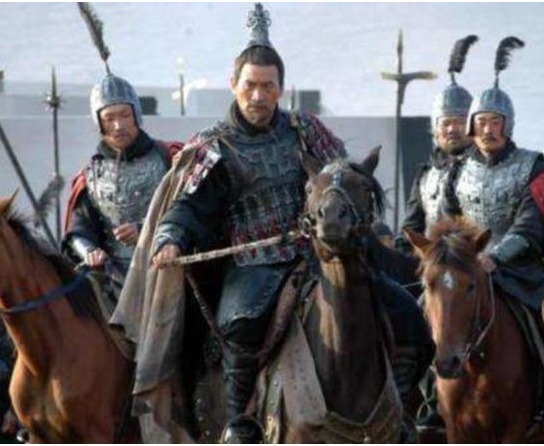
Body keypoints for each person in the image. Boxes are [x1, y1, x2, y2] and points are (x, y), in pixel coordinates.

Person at [150, 4, 432, 443]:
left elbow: (341, 176)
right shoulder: (214, 145)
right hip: (254, 263)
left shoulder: (305, 130)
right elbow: (189, 206)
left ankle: (400, 406)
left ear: (280, 88)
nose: (258, 96)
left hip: (321, 252)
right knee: (240, 323)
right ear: (234, 84)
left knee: (406, 311)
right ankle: (239, 423)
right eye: (250, 85)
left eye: (268, 86)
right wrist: (170, 237)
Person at [62, 16, 180, 308]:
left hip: (165, 270)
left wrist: (146, 230)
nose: (118, 125)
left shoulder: (169, 158)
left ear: (136, 115)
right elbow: (78, 229)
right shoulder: (90, 175)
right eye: (109, 118)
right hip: (109, 278)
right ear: (99, 122)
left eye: (124, 115)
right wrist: (89, 250)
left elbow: (186, 212)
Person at [444, 36, 544, 310]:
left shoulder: (532, 167)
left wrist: (495, 258)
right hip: (468, 267)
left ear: (507, 125)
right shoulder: (457, 170)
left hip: (521, 272)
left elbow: (529, 226)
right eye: (482, 122)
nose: (488, 130)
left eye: (495, 122)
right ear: (472, 126)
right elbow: (451, 222)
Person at [395, 35, 478, 255]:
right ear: (435, 129)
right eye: (446, 123)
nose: (452, 129)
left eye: (459, 122)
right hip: (436, 262)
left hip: (481, 262)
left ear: (472, 125)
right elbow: (411, 228)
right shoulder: (425, 176)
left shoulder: (488, 166)